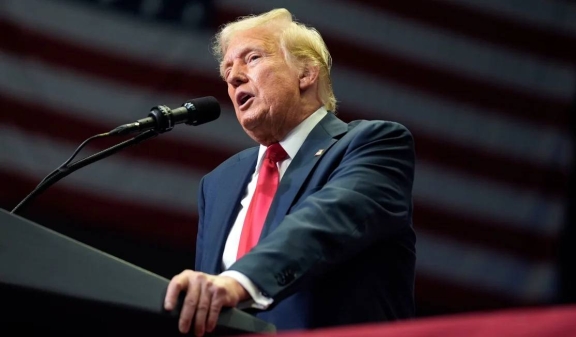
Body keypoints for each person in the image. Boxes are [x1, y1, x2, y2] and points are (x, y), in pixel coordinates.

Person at [164, 8, 416, 335]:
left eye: (251, 58)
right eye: (227, 68)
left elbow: (325, 222)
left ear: (306, 73)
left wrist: (238, 282)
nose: (233, 76)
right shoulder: (218, 184)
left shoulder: (372, 144)